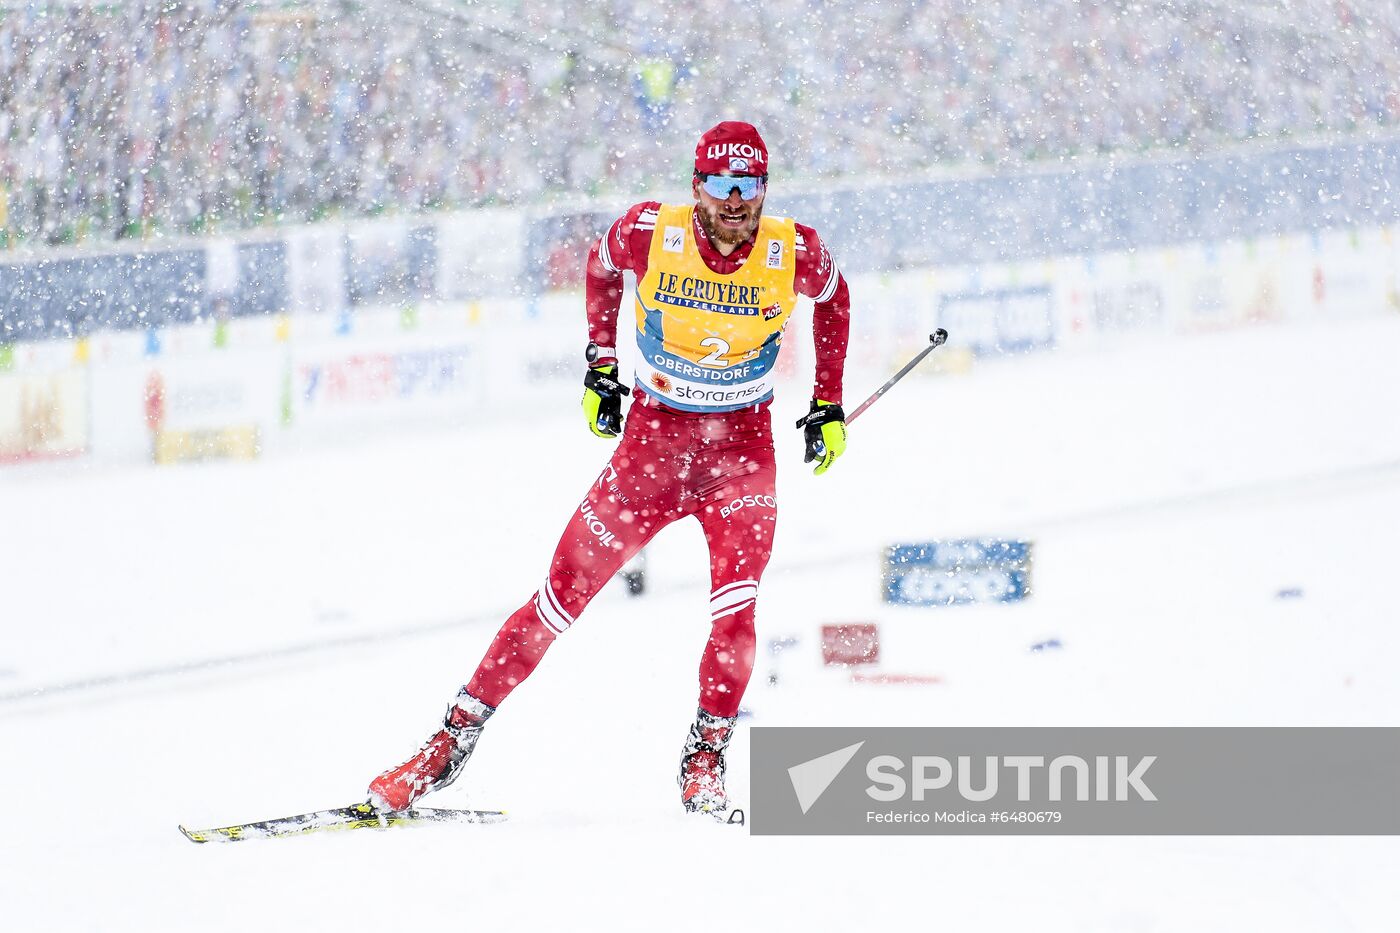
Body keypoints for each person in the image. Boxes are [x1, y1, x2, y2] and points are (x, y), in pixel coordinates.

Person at [367, 122, 852, 818]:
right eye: (721, 184)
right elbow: (599, 267)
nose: (736, 200)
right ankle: (447, 744)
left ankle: (704, 759)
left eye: (750, 185)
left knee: (736, 612)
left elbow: (834, 297)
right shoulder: (652, 232)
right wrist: (601, 364)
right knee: (558, 598)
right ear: (697, 186)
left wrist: (827, 401)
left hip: (741, 455)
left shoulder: (791, 248)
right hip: (652, 450)